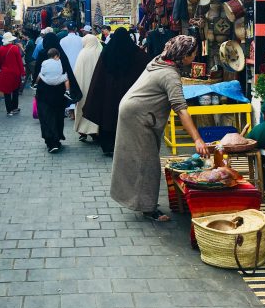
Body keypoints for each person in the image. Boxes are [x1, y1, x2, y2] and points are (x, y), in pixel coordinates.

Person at [110, 35, 209, 222]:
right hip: (138, 116)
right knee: (148, 163)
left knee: (140, 159)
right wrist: (197, 139)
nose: (194, 58)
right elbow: (181, 110)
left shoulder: (160, 61)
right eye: (193, 54)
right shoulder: (169, 74)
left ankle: (140, 201)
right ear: (184, 55)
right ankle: (148, 208)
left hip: (132, 110)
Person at [83, 27, 149, 156]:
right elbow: (146, 65)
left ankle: (108, 146)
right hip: (130, 93)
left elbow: (99, 76)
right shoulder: (136, 53)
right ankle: (128, 146)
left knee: (108, 117)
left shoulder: (107, 52)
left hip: (109, 94)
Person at [32, 33, 80, 153]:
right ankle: (57, 138)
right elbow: (68, 72)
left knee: (46, 116)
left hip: (44, 92)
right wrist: (74, 89)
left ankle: (50, 141)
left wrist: (35, 83)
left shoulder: (43, 54)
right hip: (59, 92)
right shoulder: (61, 55)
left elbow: (37, 72)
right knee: (58, 115)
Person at [73, 34, 103, 142]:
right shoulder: (100, 53)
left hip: (83, 87)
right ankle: (94, 131)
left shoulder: (82, 53)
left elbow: (76, 72)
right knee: (95, 107)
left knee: (82, 107)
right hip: (96, 88)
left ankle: (82, 131)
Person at [0, 32, 25, 116]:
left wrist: (3, 68)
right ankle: (14, 107)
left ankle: (9, 110)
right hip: (15, 73)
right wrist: (22, 72)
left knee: (7, 92)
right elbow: (19, 61)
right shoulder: (15, 48)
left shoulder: (0, 49)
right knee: (15, 90)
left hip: (5, 73)